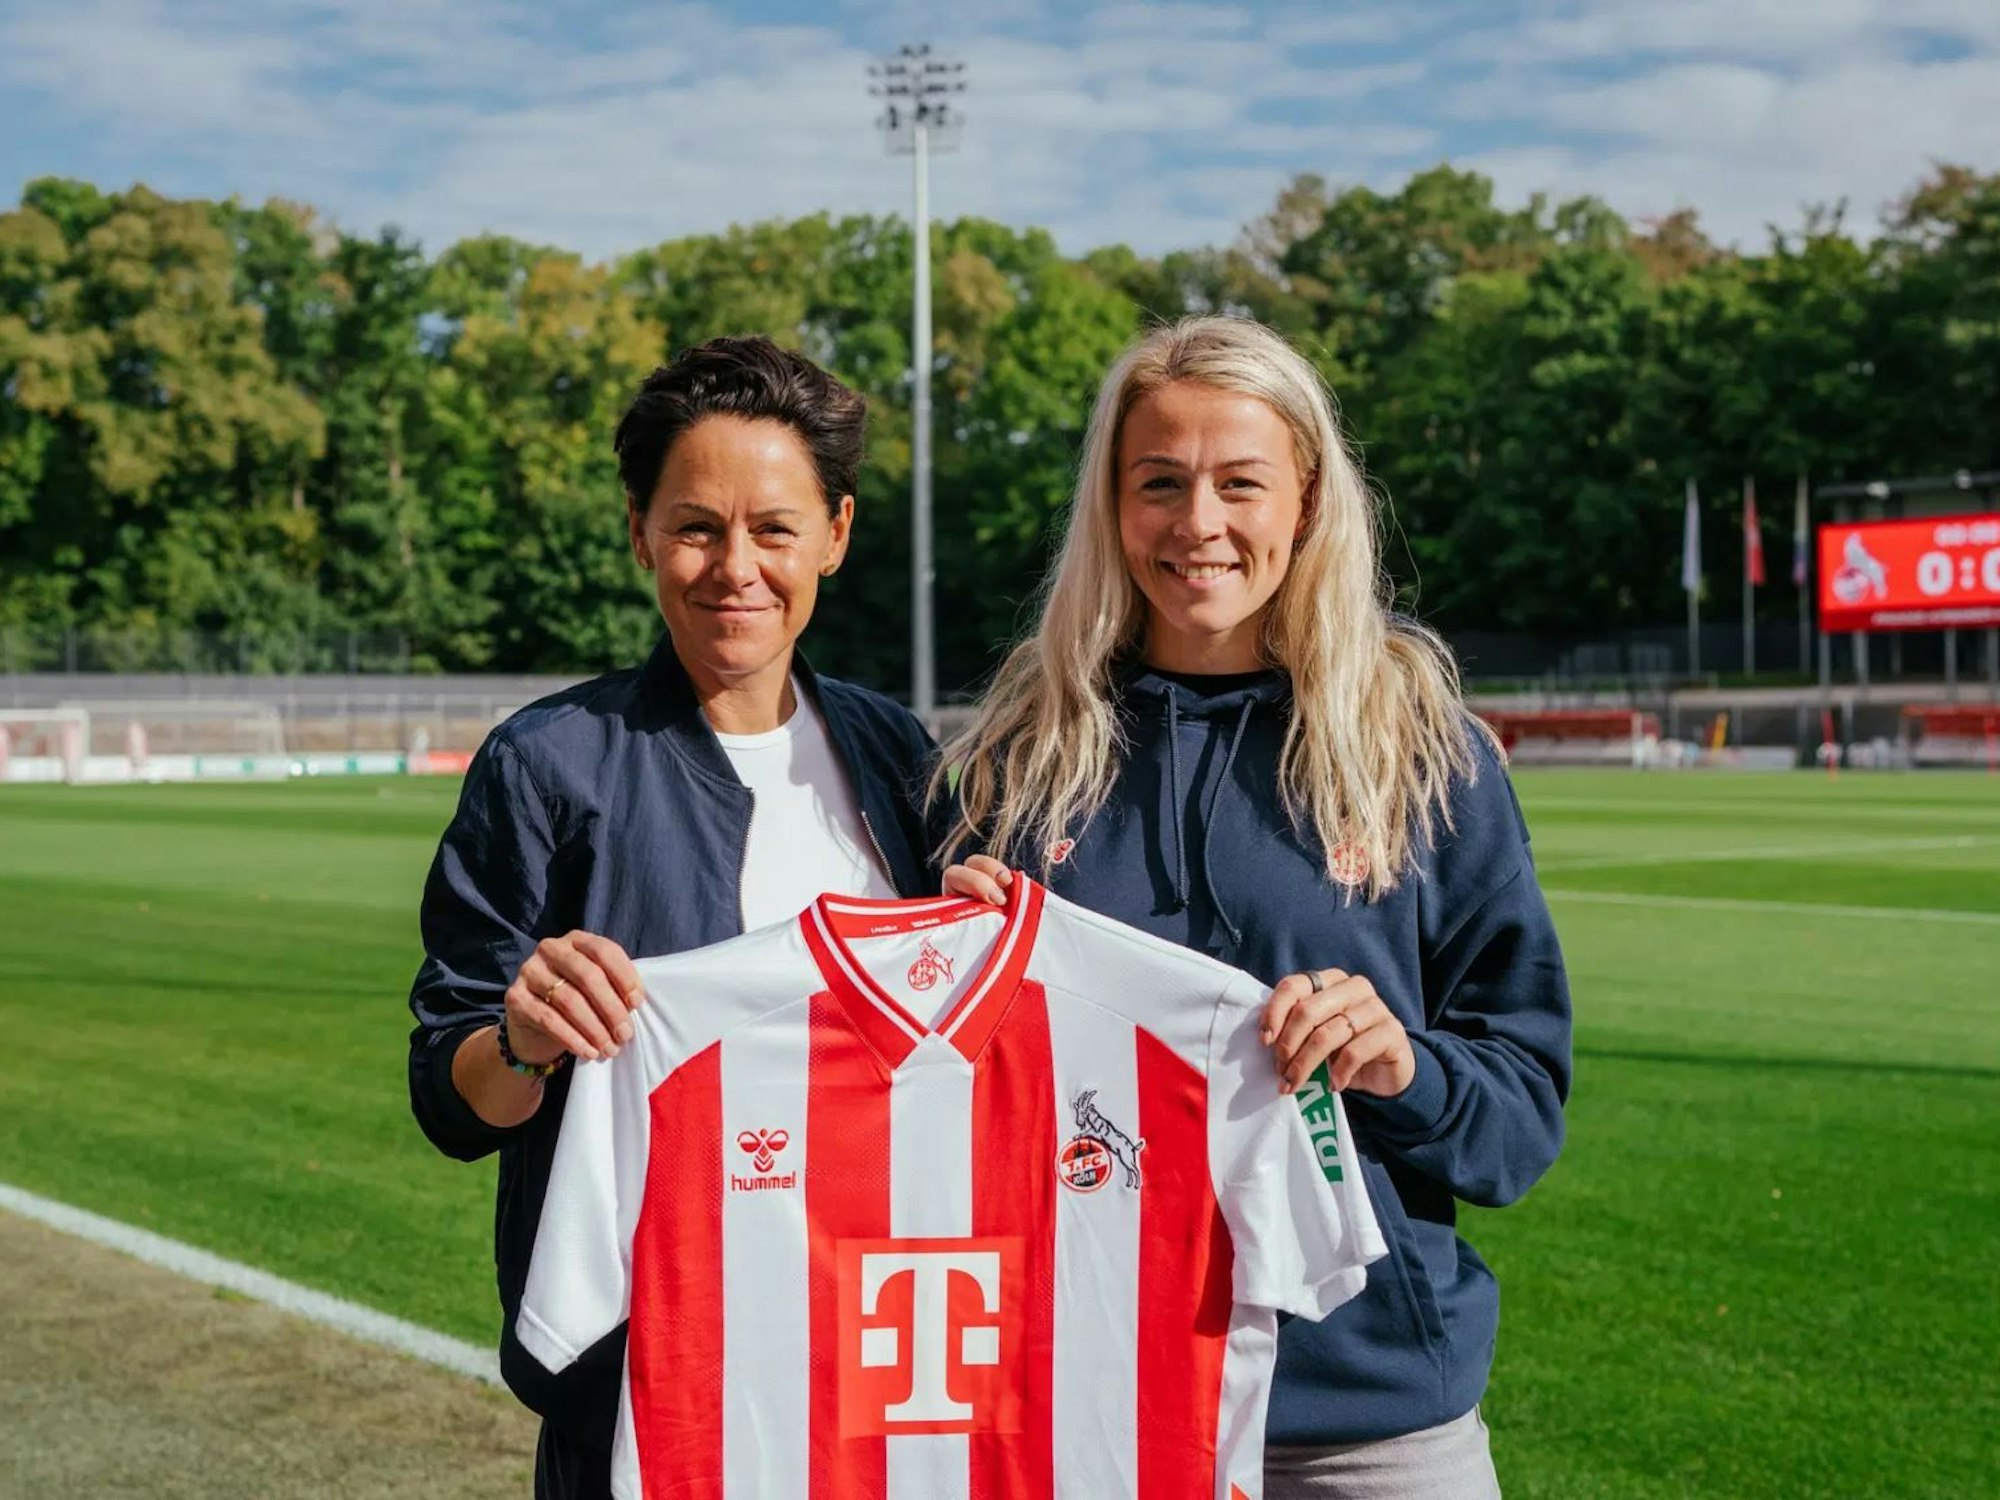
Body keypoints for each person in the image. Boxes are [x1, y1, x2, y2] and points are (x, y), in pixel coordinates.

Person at [939, 315, 1571, 1498]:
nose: (1198, 523)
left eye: (1239, 483)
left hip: (1365, 1427)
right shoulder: (1015, 761)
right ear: (1110, 504)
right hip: (1080, 1410)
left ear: (1307, 498)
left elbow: (1518, 1125)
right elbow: (925, 1120)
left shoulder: (1420, 755)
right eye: (1157, 483)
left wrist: (1401, 1066)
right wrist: (941, 986)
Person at [407, 336, 941, 1499]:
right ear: (640, 532)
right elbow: (451, 1100)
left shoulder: (898, 755)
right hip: (649, 1384)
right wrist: (521, 1040)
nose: (734, 567)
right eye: (695, 527)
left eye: (774, 529)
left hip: (876, 1365)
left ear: (836, 535)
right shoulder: (549, 765)